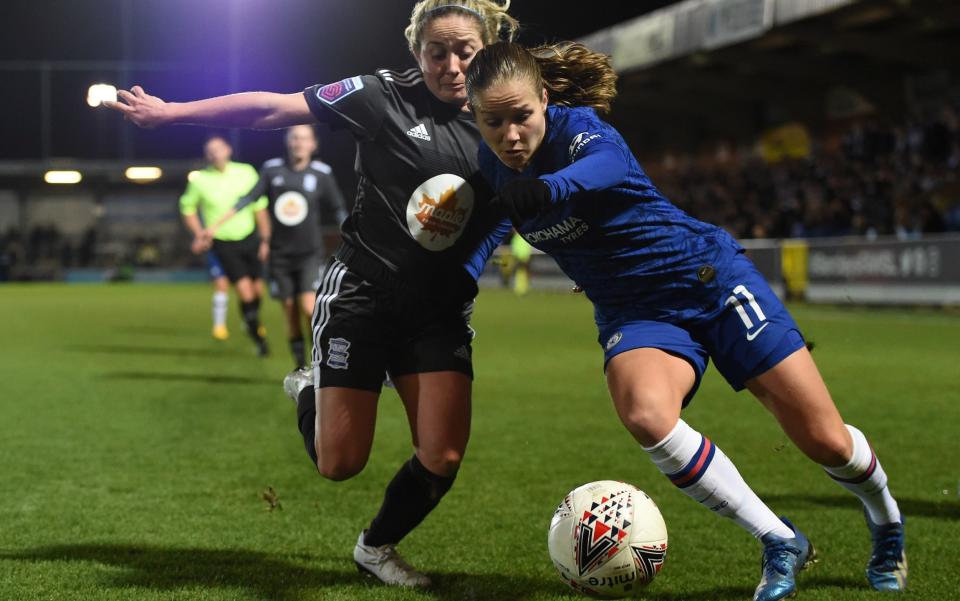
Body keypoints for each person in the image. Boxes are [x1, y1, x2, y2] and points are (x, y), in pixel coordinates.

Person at [464, 41, 907, 601]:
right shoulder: (490, 167)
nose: (509, 134)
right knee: (647, 415)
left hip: (709, 280)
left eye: (521, 115)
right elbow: (486, 232)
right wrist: (457, 276)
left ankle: (886, 519)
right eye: (492, 121)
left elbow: (609, 166)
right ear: (473, 117)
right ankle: (778, 539)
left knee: (826, 441)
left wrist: (553, 185)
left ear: (545, 100)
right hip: (636, 312)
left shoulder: (578, 129)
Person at [105, 0, 519, 587]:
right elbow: (272, 108)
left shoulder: (504, 114)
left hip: (439, 310)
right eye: (436, 51)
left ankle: (375, 549)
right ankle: (308, 389)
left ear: (488, 50)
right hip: (363, 297)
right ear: (415, 50)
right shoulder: (379, 96)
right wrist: (172, 113)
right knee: (339, 464)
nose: (451, 65)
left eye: (465, 52)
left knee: (443, 456)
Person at [203, 125, 349, 368]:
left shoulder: (322, 173)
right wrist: (214, 226)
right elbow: (248, 199)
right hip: (280, 255)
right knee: (290, 311)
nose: (299, 143)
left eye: (304, 138)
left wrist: (352, 235)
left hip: (309, 254)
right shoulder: (272, 170)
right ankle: (300, 367)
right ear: (287, 141)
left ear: (313, 144)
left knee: (309, 308)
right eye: (294, 138)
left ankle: (318, 363)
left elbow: (338, 208)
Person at [180, 134, 271, 356]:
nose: (214, 154)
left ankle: (249, 320)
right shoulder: (200, 179)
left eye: (218, 148)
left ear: (228, 150)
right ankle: (259, 340)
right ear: (206, 155)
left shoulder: (246, 172)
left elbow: (260, 207)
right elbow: (187, 208)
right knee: (244, 291)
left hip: (250, 238)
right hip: (223, 243)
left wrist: (265, 239)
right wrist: (199, 233)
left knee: (258, 290)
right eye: (210, 151)